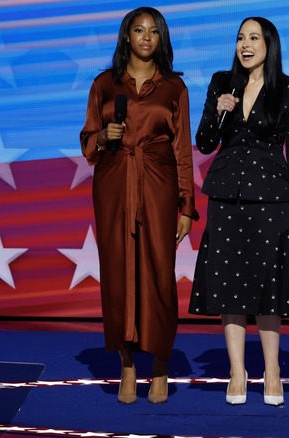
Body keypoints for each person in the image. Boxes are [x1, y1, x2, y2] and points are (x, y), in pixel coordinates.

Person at [79, 6, 198, 405]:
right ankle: (127, 365)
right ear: (126, 36)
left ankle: (160, 366)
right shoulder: (104, 84)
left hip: (159, 186)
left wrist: (186, 206)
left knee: (159, 275)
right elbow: (87, 143)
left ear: (161, 39)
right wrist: (103, 136)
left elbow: (183, 151)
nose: (146, 37)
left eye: (153, 31)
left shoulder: (174, 88)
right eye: (138, 30)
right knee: (117, 273)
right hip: (113, 185)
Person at [188, 16, 289, 407]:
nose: (245, 44)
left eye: (254, 38)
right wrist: (218, 112)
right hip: (225, 197)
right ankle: (237, 372)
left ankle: (272, 372)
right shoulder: (222, 82)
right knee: (229, 287)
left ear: (269, 45)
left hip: (271, 199)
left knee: (268, 288)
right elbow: (205, 144)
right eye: (241, 37)